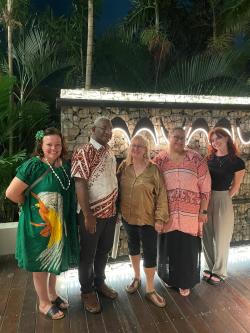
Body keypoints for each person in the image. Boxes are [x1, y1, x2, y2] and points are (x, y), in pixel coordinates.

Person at [5, 128, 79, 320]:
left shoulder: (64, 165)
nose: (53, 148)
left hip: (58, 225)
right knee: (41, 265)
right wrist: (27, 204)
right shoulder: (33, 166)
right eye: (49, 145)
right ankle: (43, 303)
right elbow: (11, 193)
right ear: (41, 145)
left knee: (53, 260)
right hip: (38, 226)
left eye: (57, 144)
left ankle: (52, 295)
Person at [154, 127, 211, 296]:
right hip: (167, 214)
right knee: (169, 248)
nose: (179, 141)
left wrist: (204, 211)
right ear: (169, 137)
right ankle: (170, 278)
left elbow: (206, 187)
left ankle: (184, 282)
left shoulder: (196, 159)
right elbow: (153, 185)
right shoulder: (160, 160)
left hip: (190, 216)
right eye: (175, 137)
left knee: (187, 250)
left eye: (182, 138)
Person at [71, 116, 118, 314]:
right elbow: (80, 183)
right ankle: (87, 291)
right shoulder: (84, 151)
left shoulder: (109, 152)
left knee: (104, 251)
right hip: (92, 215)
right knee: (88, 255)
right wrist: (88, 215)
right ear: (93, 129)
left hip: (110, 213)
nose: (108, 132)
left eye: (110, 130)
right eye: (104, 128)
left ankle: (100, 283)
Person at [117, 135, 169, 307]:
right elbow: (116, 188)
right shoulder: (124, 166)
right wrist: (116, 211)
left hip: (148, 220)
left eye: (140, 146)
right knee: (133, 248)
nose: (136, 149)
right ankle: (137, 277)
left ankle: (150, 289)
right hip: (128, 217)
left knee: (150, 252)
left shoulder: (153, 169)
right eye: (133, 145)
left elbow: (162, 195)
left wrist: (160, 219)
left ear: (146, 149)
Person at [202, 127, 245, 285]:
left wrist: (224, 199)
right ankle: (209, 266)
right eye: (212, 140)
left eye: (218, 138)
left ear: (227, 138)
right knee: (206, 235)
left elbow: (235, 186)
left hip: (223, 198)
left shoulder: (237, 162)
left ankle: (220, 271)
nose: (215, 142)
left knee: (221, 237)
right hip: (206, 198)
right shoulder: (208, 159)